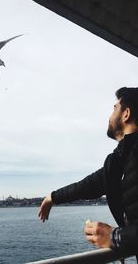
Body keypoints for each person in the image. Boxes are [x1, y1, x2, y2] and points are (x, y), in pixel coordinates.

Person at [38, 87, 138, 256]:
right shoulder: (118, 161)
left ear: (126, 114)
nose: (109, 115)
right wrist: (52, 197)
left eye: (114, 108)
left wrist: (116, 237)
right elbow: (88, 185)